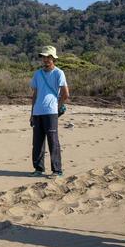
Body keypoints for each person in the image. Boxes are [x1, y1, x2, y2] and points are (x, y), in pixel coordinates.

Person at [29, 46, 69, 178]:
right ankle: (38, 169)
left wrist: (58, 107)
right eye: (44, 57)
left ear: (53, 58)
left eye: (48, 57)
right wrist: (32, 113)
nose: (45, 59)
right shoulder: (37, 74)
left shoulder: (59, 73)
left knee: (53, 141)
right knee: (37, 142)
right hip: (37, 112)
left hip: (51, 112)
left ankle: (57, 170)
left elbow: (65, 94)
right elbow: (35, 94)